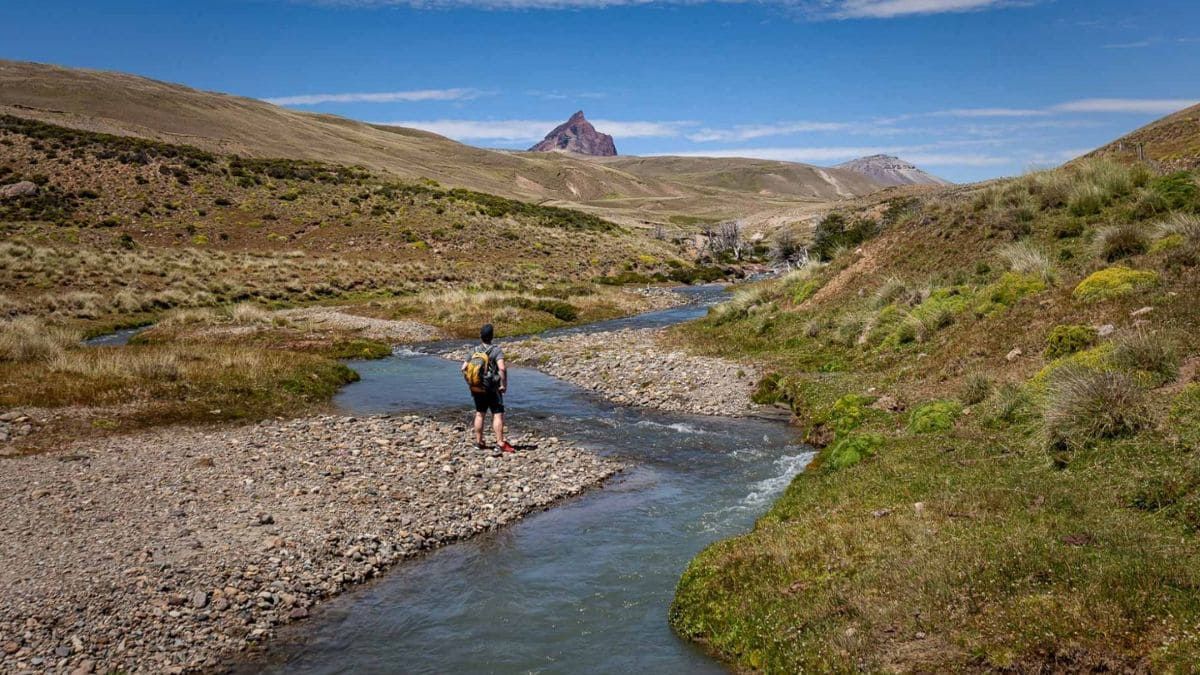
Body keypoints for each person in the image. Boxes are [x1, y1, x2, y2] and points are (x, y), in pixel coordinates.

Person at [461, 323, 514, 452]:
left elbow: (463, 368)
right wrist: (503, 384)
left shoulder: (474, 351)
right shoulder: (496, 350)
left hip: (477, 387)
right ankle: (500, 443)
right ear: (492, 336)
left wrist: (471, 383)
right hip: (492, 388)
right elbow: (502, 368)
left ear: (481, 336)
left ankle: (479, 442)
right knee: (497, 414)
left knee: (480, 414)